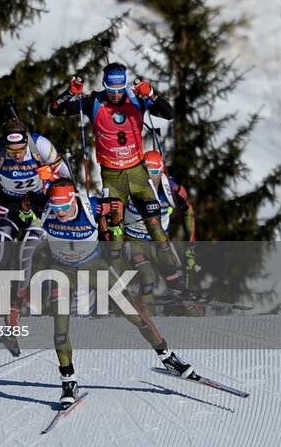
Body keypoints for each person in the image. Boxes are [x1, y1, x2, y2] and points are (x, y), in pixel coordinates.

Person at [36, 178, 197, 407]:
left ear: (73, 199)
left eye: (64, 206)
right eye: (56, 206)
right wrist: (29, 205)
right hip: (62, 270)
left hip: (94, 267)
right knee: (60, 328)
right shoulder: (44, 207)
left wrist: (113, 223)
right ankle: (68, 382)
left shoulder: (92, 207)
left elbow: (115, 205)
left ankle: (168, 358)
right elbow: (26, 202)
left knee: (132, 313)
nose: (60, 212)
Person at [47, 62, 188, 294]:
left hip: (138, 172)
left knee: (154, 222)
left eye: (119, 89)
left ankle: (173, 278)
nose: (115, 94)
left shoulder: (136, 100)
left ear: (124, 85)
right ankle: (116, 287)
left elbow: (169, 114)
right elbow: (55, 109)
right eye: (111, 90)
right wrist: (69, 93)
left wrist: (151, 94)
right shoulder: (94, 101)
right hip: (112, 175)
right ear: (104, 85)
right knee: (115, 229)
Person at [0, 118, 71, 327]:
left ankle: (14, 309)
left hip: (38, 205)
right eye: (11, 151)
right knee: (1, 257)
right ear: (4, 145)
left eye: (20, 150)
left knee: (25, 252)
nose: (16, 155)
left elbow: (67, 178)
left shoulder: (40, 146)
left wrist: (51, 174)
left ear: (26, 142)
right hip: (9, 205)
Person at [123, 150, 198, 306]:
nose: (150, 177)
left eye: (154, 172)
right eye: (146, 172)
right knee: (147, 276)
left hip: (160, 242)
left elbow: (188, 212)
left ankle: (189, 307)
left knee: (178, 276)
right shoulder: (129, 185)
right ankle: (143, 311)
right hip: (134, 241)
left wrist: (190, 243)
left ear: (162, 170)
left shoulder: (172, 189)